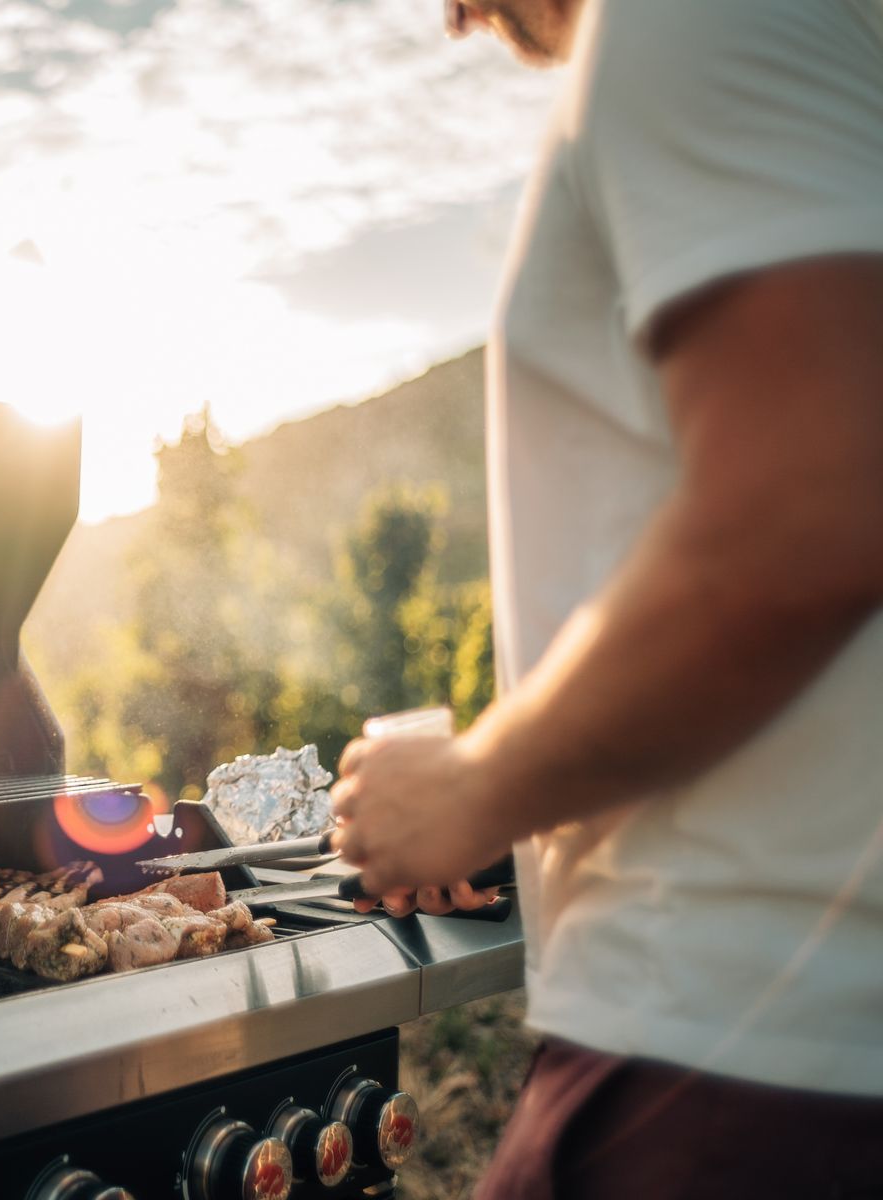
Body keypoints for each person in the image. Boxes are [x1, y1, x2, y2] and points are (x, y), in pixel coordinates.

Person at [328, 0, 883, 1194]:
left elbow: (813, 505)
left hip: (740, 1056)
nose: (452, 13)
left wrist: (480, 785)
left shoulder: (685, 21)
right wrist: (525, 794)